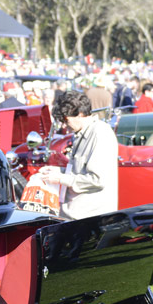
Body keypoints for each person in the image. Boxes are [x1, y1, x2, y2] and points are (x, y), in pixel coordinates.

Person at [37, 90, 118, 220]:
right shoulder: (80, 133)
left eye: (65, 120)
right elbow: (78, 171)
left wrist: (60, 178)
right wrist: (58, 171)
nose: (64, 125)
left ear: (80, 114)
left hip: (90, 218)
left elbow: (97, 180)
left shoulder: (100, 133)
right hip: (76, 216)